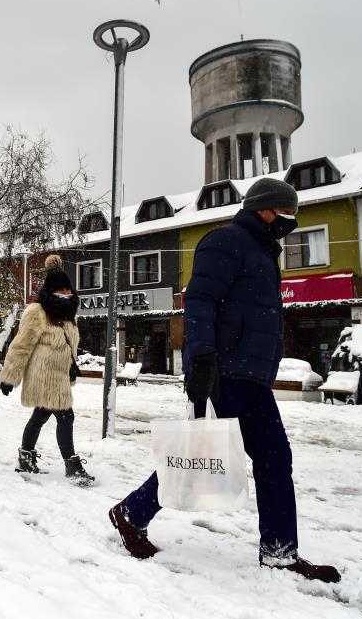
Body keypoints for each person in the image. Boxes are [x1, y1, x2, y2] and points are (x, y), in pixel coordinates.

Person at [107, 178, 341, 584]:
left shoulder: (265, 251)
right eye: (287, 212)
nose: (291, 220)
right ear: (265, 209)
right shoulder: (226, 241)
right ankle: (131, 513)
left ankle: (281, 552)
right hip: (225, 372)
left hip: (254, 376)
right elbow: (198, 301)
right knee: (199, 453)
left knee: (273, 460)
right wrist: (201, 361)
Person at [0, 255, 95, 487]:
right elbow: (21, 345)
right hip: (44, 376)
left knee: (40, 416)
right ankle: (72, 466)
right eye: (60, 290)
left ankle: (26, 457)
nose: (65, 294)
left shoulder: (69, 317)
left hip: (59, 377)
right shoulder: (37, 312)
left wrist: (71, 366)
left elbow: (68, 346)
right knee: (66, 416)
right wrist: (10, 377)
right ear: (50, 291)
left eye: (67, 290)